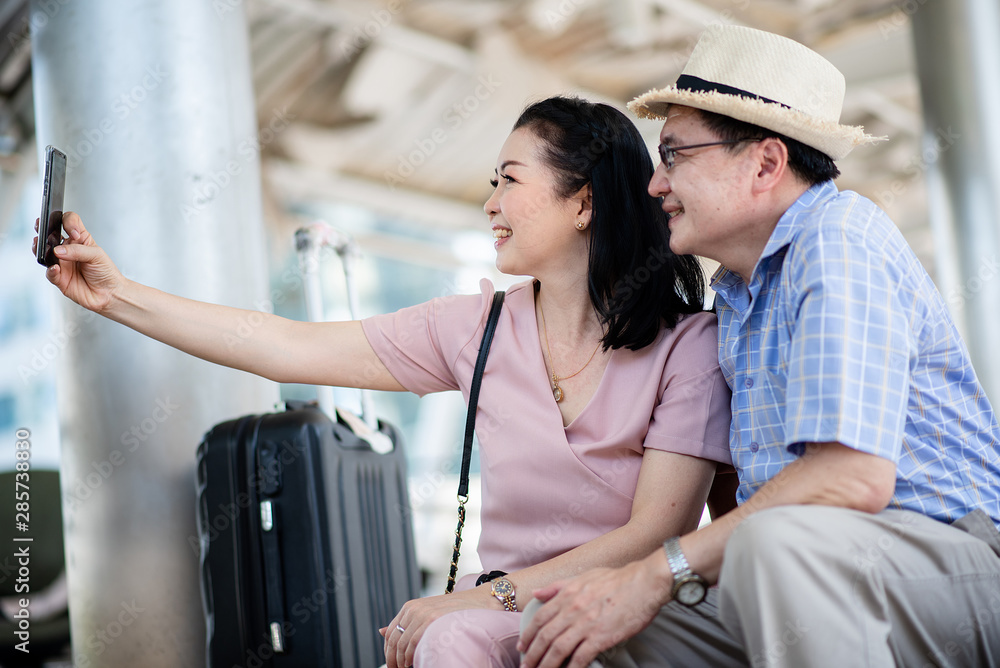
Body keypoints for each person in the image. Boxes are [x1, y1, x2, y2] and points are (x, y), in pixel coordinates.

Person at [35, 95, 733, 668]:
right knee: (446, 636)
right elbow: (284, 345)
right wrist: (117, 296)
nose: (490, 203)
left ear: (582, 202)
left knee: (449, 634)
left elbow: (654, 538)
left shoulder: (689, 347)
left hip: (627, 621)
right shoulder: (475, 329)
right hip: (500, 625)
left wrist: (474, 604)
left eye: (510, 180)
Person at [518, 25, 1000, 668]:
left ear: (766, 163)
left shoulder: (838, 240)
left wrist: (655, 574)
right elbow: (742, 497)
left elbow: (850, 478)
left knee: (771, 547)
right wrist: (630, 587)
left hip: (955, 565)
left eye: (676, 156)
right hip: (811, 571)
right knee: (574, 615)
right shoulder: (737, 298)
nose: (655, 184)